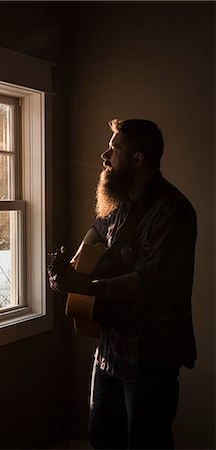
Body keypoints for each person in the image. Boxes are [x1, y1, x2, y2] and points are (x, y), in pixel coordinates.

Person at [48, 118, 197, 449]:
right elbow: (96, 230)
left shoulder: (175, 212)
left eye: (114, 149)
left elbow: (147, 282)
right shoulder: (119, 201)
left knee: (147, 442)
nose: (105, 155)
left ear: (138, 159)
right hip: (110, 351)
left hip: (151, 359)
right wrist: (74, 263)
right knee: (102, 438)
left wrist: (85, 286)